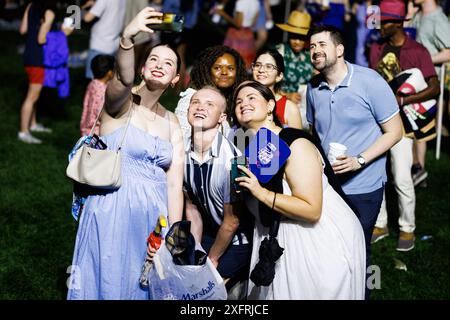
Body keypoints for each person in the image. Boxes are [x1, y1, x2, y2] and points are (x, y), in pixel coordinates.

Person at [67, 7, 185, 300]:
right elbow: (122, 78)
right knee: (105, 280)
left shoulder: (173, 123)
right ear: (142, 68)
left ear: (175, 78)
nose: (159, 64)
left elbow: (174, 184)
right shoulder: (121, 105)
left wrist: (173, 234)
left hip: (152, 220)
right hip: (111, 209)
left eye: (168, 63)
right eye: (153, 59)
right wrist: (127, 39)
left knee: (140, 287)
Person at [231, 80, 366, 299]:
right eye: (238, 101)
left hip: (315, 239)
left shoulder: (294, 143)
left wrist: (260, 193)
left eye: (251, 97)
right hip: (276, 235)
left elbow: (312, 210)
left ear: (270, 106)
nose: (243, 103)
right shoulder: (249, 151)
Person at [306, 25, 403, 296]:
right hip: (327, 187)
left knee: (358, 249)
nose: (315, 51)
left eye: (322, 45)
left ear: (339, 49)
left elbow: (396, 132)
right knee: (329, 250)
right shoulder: (313, 88)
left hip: (364, 186)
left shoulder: (369, 81)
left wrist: (359, 160)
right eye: (312, 46)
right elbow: (316, 132)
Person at [369, 0, 439, 251]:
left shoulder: (418, 51)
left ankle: (407, 228)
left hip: (405, 125)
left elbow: (434, 87)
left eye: (385, 21)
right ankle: (380, 224)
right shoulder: (376, 48)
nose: (380, 25)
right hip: (379, 123)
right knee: (376, 177)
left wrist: (405, 99)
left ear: (397, 23)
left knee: (401, 178)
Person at [183, 86, 253, 299]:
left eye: (209, 104)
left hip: (238, 240)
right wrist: (196, 252)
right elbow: (192, 208)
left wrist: (211, 261)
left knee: (205, 293)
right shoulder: (180, 151)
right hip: (208, 233)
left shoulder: (235, 161)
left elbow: (232, 222)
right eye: (195, 102)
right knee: (184, 281)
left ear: (222, 117)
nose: (200, 108)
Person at [410, 0, 450, 186]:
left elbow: (449, 52)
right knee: (410, 121)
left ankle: (419, 170)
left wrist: (423, 59)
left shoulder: (438, 19)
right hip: (414, 77)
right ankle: (413, 166)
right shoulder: (419, 14)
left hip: (428, 78)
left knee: (420, 123)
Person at [174, 45, 248, 145]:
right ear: (207, 70)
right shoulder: (192, 98)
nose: (224, 72)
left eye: (230, 68)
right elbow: (180, 138)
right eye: (217, 68)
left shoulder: (234, 101)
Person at [18, 0, 61, 144]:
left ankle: (33, 124)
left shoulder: (31, 5)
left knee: (33, 94)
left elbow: (22, 30)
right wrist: (62, 34)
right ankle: (23, 132)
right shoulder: (49, 12)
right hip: (39, 60)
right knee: (32, 97)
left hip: (28, 57)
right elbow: (41, 39)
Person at [275, 10, 314, 129]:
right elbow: (267, 82)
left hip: (304, 107)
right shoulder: (279, 52)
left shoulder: (311, 55)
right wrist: (287, 95)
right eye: (293, 37)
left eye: (301, 38)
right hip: (281, 102)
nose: (297, 42)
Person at [251, 49, 302, 128]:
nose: (261, 70)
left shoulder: (289, 108)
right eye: (257, 65)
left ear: (279, 76)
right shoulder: (244, 102)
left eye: (268, 67)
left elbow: (298, 140)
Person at [82, 0, 126, 79]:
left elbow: (87, 18)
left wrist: (80, 9)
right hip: (114, 43)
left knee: (94, 80)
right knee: (108, 79)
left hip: (99, 44)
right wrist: (95, 5)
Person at [215, 0, 260, 69]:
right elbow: (254, 22)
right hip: (248, 34)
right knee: (244, 65)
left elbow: (238, 24)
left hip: (237, 35)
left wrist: (223, 14)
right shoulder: (256, 2)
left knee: (231, 61)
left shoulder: (241, 2)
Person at [79, 54, 115, 136]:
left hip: (86, 128)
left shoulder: (92, 84)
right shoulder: (102, 91)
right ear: (109, 73)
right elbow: (100, 113)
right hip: (97, 133)